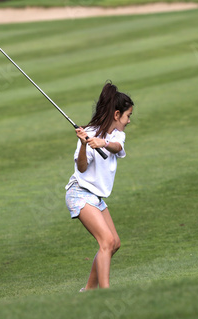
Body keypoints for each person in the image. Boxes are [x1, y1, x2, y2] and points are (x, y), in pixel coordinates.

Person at [65, 81, 134, 291]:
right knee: (106, 241)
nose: (129, 121)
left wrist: (101, 143)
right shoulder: (88, 132)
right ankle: (105, 292)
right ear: (116, 115)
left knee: (115, 243)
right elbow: (82, 167)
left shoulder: (116, 135)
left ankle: (88, 290)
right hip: (79, 193)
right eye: (127, 116)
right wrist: (85, 145)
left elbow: (117, 147)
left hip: (95, 197)